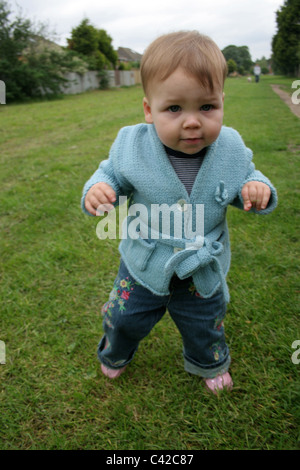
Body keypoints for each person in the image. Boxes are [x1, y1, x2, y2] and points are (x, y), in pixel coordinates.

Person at [81, 31, 277, 394]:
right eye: (174, 108)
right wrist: (98, 189)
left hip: (201, 267)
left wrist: (257, 188)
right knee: (123, 317)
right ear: (148, 109)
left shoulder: (230, 146)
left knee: (206, 322)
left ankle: (209, 361)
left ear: (222, 102)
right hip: (144, 262)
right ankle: (115, 353)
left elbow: (248, 176)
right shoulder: (132, 145)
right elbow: (109, 174)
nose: (192, 121)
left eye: (206, 107)